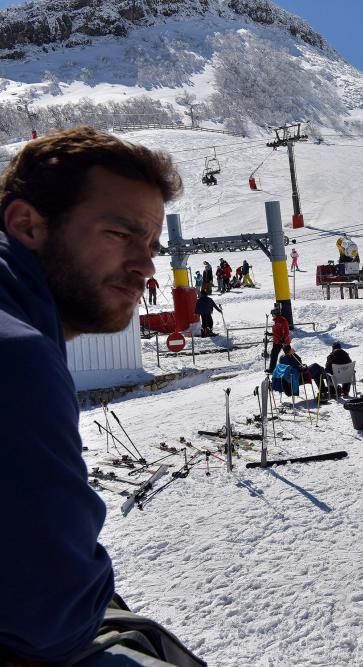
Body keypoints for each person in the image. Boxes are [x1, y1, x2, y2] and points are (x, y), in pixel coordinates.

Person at [0, 128, 202, 663]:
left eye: (151, 245)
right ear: (27, 225)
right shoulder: (17, 358)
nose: (146, 266)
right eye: (119, 233)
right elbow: (54, 616)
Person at [268, 306, 291, 372]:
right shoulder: (276, 321)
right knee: (273, 355)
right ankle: (272, 369)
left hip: (283, 342)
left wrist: (284, 340)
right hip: (277, 341)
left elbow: (286, 332)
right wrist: (270, 334)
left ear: (276, 314)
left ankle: (293, 366)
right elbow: (277, 332)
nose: (272, 316)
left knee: (288, 355)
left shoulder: (283, 321)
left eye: (273, 314)